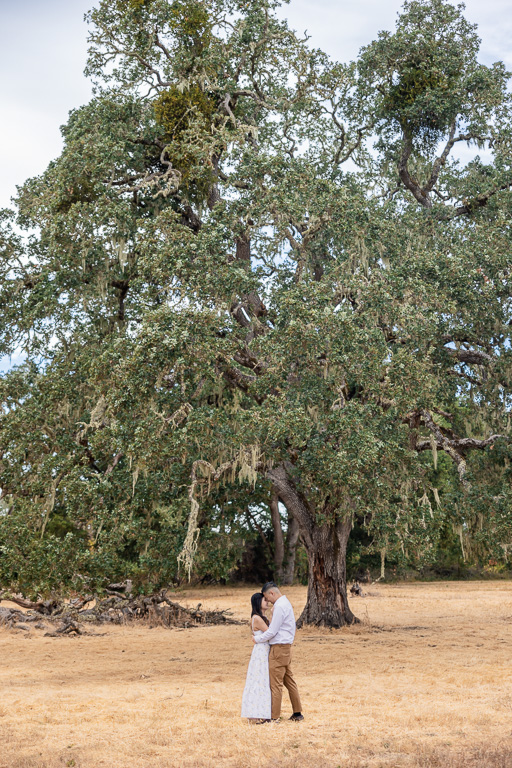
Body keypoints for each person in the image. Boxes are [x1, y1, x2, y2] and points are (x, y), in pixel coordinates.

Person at [253, 581, 304, 722]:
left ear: (272, 593)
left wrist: (257, 639)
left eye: (267, 597)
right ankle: (297, 712)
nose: (267, 600)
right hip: (286, 648)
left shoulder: (280, 606)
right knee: (290, 681)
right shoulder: (285, 603)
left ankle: (273, 717)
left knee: (275, 684)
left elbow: (272, 631)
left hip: (278, 649)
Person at [241, 592, 272, 723]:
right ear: (258, 602)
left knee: (262, 680)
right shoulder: (257, 618)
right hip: (261, 651)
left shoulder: (261, 617)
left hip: (263, 649)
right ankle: (255, 713)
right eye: (264, 600)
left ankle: (260, 711)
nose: (267, 602)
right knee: (259, 680)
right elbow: (271, 633)